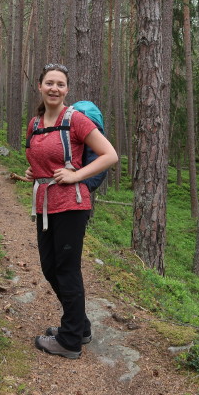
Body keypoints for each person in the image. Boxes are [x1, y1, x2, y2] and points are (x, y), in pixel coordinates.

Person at [25, 63, 118, 359]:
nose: (54, 88)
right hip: (45, 205)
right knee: (50, 268)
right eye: (49, 83)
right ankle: (80, 326)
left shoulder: (76, 119)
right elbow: (42, 155)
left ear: (66, 90)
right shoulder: (35, 123)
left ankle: (69, 341)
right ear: (40, 86)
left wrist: (77, 175)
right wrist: (34, 170)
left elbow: (110, 155)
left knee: (66, 270)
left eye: (60, 84)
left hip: (72, 205)